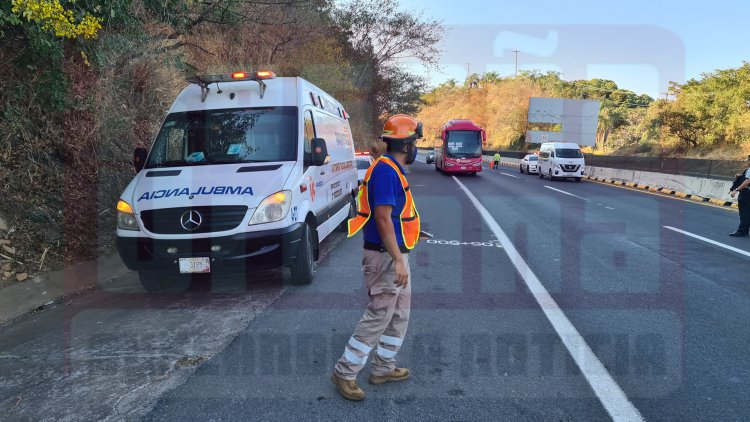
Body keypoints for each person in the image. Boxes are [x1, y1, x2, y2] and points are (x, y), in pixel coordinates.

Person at [331, 114, 425, 401]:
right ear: (407, 144)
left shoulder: (391, 168)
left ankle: (383, 367)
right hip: (386, 257)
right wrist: (397, 259)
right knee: (379, 314)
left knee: (398, 314)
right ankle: (344, 373)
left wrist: (409, 239)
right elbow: (383, 219)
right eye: (415, 142)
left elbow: (393, 218)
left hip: (394, 254)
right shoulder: (386, 171)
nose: (416, 148)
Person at [729, 155, 750, 237]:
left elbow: (748, 180)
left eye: (748, 160)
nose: (747, 162)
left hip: (747, 193)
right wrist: (740, 176)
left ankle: (742, 231)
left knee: (744, 213)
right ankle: (745, 229)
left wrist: (736, 190)